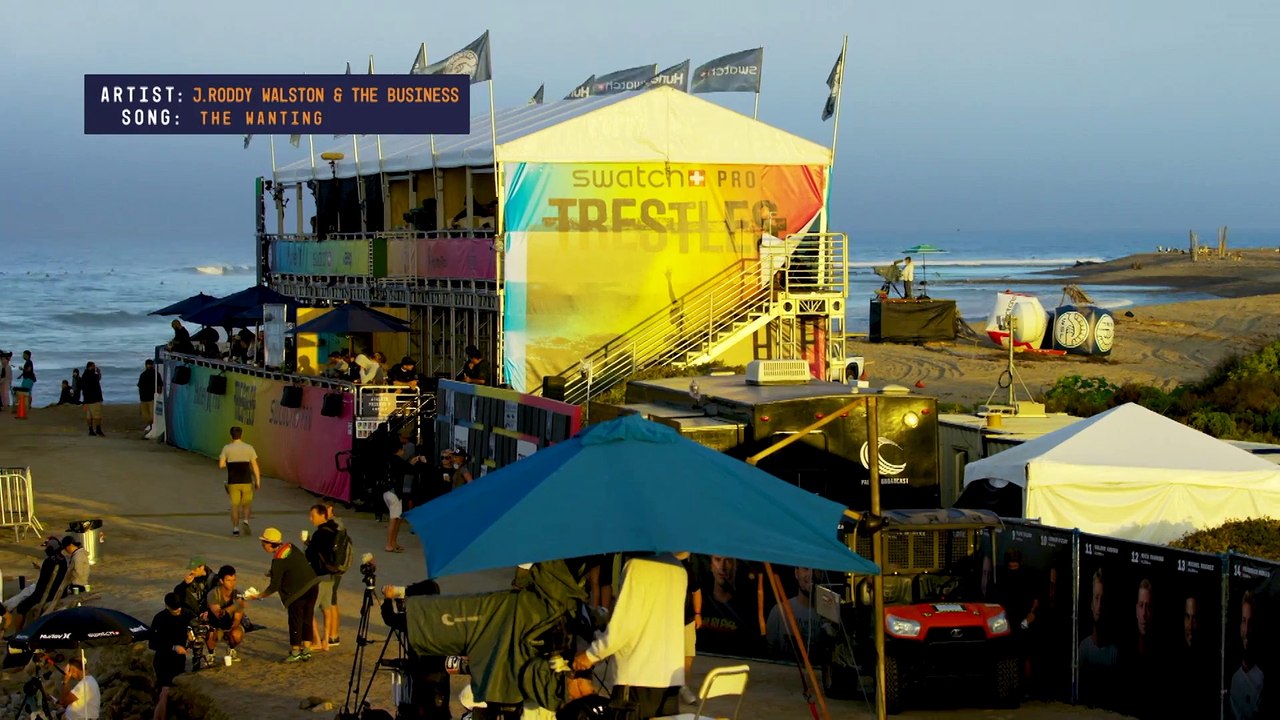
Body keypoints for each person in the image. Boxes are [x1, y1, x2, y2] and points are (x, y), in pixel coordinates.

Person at [573, 552, 688, 719]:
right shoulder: (678, 568)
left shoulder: (637, 566)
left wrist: (591, 654)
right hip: (670, 680)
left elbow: (623, 627)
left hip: (638, 678)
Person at [245, 527, 319, 663]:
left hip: (298, 592)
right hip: (313, 585)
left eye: (264, 543)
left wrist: (259, 595)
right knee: (307, 617)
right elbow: (292, 566)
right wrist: (273, 572)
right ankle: (307, 649)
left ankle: (296, 651)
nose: (263, 546)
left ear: (270, 543)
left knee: (295, 621)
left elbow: (274, 586)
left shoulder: (278, 560)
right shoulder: (290, 547)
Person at [2, 536, 69, 634]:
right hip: (58, 592)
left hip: (45, 593)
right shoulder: (63, 560)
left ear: (50, 549)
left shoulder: (49, 561)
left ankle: (19, 633)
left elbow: (43, 582)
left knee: (21, 608)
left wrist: (36, 594)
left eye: (47, 548)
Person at [304, 504, 347, 649]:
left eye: (313, 516)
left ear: (323, 515)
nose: (311, 519)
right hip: (331, 574)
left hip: (319, 575)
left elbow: (310, 554)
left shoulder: (320, 533)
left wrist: (307, 544)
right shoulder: (336, 529)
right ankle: (327, 640)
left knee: (309, 609)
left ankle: (317, 641)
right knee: (327, 608)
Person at [1078, 567, 1118, 708]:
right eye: (1096, 598)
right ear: (1091, 603)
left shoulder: (1115, 652)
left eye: (1103, 599)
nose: (1099, 605)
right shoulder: (1083, 648)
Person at [149, 592, 193, 720]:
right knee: (165, 691)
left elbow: (197, 622)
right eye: (174, 609)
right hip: (163, 659)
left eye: (179, 608)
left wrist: (192, 633)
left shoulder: (187, 614)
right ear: (167, 606)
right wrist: (173, 647)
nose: (177, 611)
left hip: (179, 660)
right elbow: (153, 643)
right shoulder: (160, 618)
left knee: (177, 691)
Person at [765, 567, 824, 658]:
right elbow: (767, 655)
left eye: (817, 569)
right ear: (796, 573)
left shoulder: (829, 616)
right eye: (806, 568)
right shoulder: (779, 611)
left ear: (822, 575)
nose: (811, 574)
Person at [217, 426, 260, 536]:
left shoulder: (227, 448)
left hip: (233, 481)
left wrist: (228, 462)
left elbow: (221, 465)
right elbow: (255, 466)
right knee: (246, 504)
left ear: (231, 436)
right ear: (242, 435)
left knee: (235, 505)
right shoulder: (249, 448)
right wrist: (258, 481)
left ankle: (235, 528)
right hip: (246, 480)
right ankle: (245, 520)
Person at [1230, 590, 1264, 720]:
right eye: (1243, 621)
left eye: (1250, 622)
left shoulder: (1262, 678)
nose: (1246, 630)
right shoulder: (1232, 677)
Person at [204, 565, 245, 660]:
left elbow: (237, 618)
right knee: (209, 634)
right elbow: (219, 614)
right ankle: (211, 654)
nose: (232, 583)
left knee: (237, 635)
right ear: (221, 581)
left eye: (234, 580)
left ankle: (231, 649)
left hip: (231, 623)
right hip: (215, 623)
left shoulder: (237, 594)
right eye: (228, 580)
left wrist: (231, 628)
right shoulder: (213, 594)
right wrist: (235, 605)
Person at [80, 362, 104, 436]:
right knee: (97, 414)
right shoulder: (92, 374)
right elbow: (98, 379)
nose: (95, 368)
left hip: (87, 398)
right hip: (95, 398)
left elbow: (83, 387)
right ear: (90, 367)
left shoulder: (84, 375)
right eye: (94, 366)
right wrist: (99, 372)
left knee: (89, 415)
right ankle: (98, 429)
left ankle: (90, 430)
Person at [137, 359, 161, 431]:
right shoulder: (155, 374)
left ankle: (151, 427)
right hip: (148, 397)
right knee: (149, 415)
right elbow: (159, 385)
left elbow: (140, 386)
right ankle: (151, 427)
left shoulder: (145, 374)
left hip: (148, 397)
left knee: (148, 415)